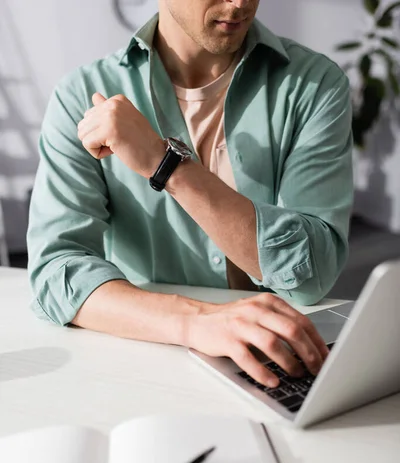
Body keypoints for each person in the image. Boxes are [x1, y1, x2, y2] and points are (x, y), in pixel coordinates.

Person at [27, 0, 353, 387]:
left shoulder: (313, 84)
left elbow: (311, 273)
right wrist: (195, 321)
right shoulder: (83, 97)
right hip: (148, 359)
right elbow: (57, 271)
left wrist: (164, 164)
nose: (240, 3)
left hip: (279, 358)